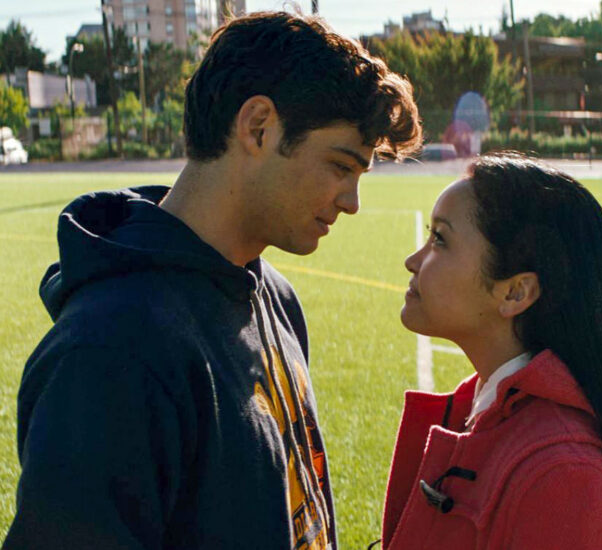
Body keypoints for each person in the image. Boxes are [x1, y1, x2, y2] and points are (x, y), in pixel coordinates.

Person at [4, 11, 421, 550]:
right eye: (341, 166)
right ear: (258, 127)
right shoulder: (109, 353)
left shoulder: (273, 295)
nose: (352, 202)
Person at [378, 154, 602, 550]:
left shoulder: (564, 478)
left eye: (440, 239)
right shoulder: (487, 413)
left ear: (515, 292)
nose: (413, 261)